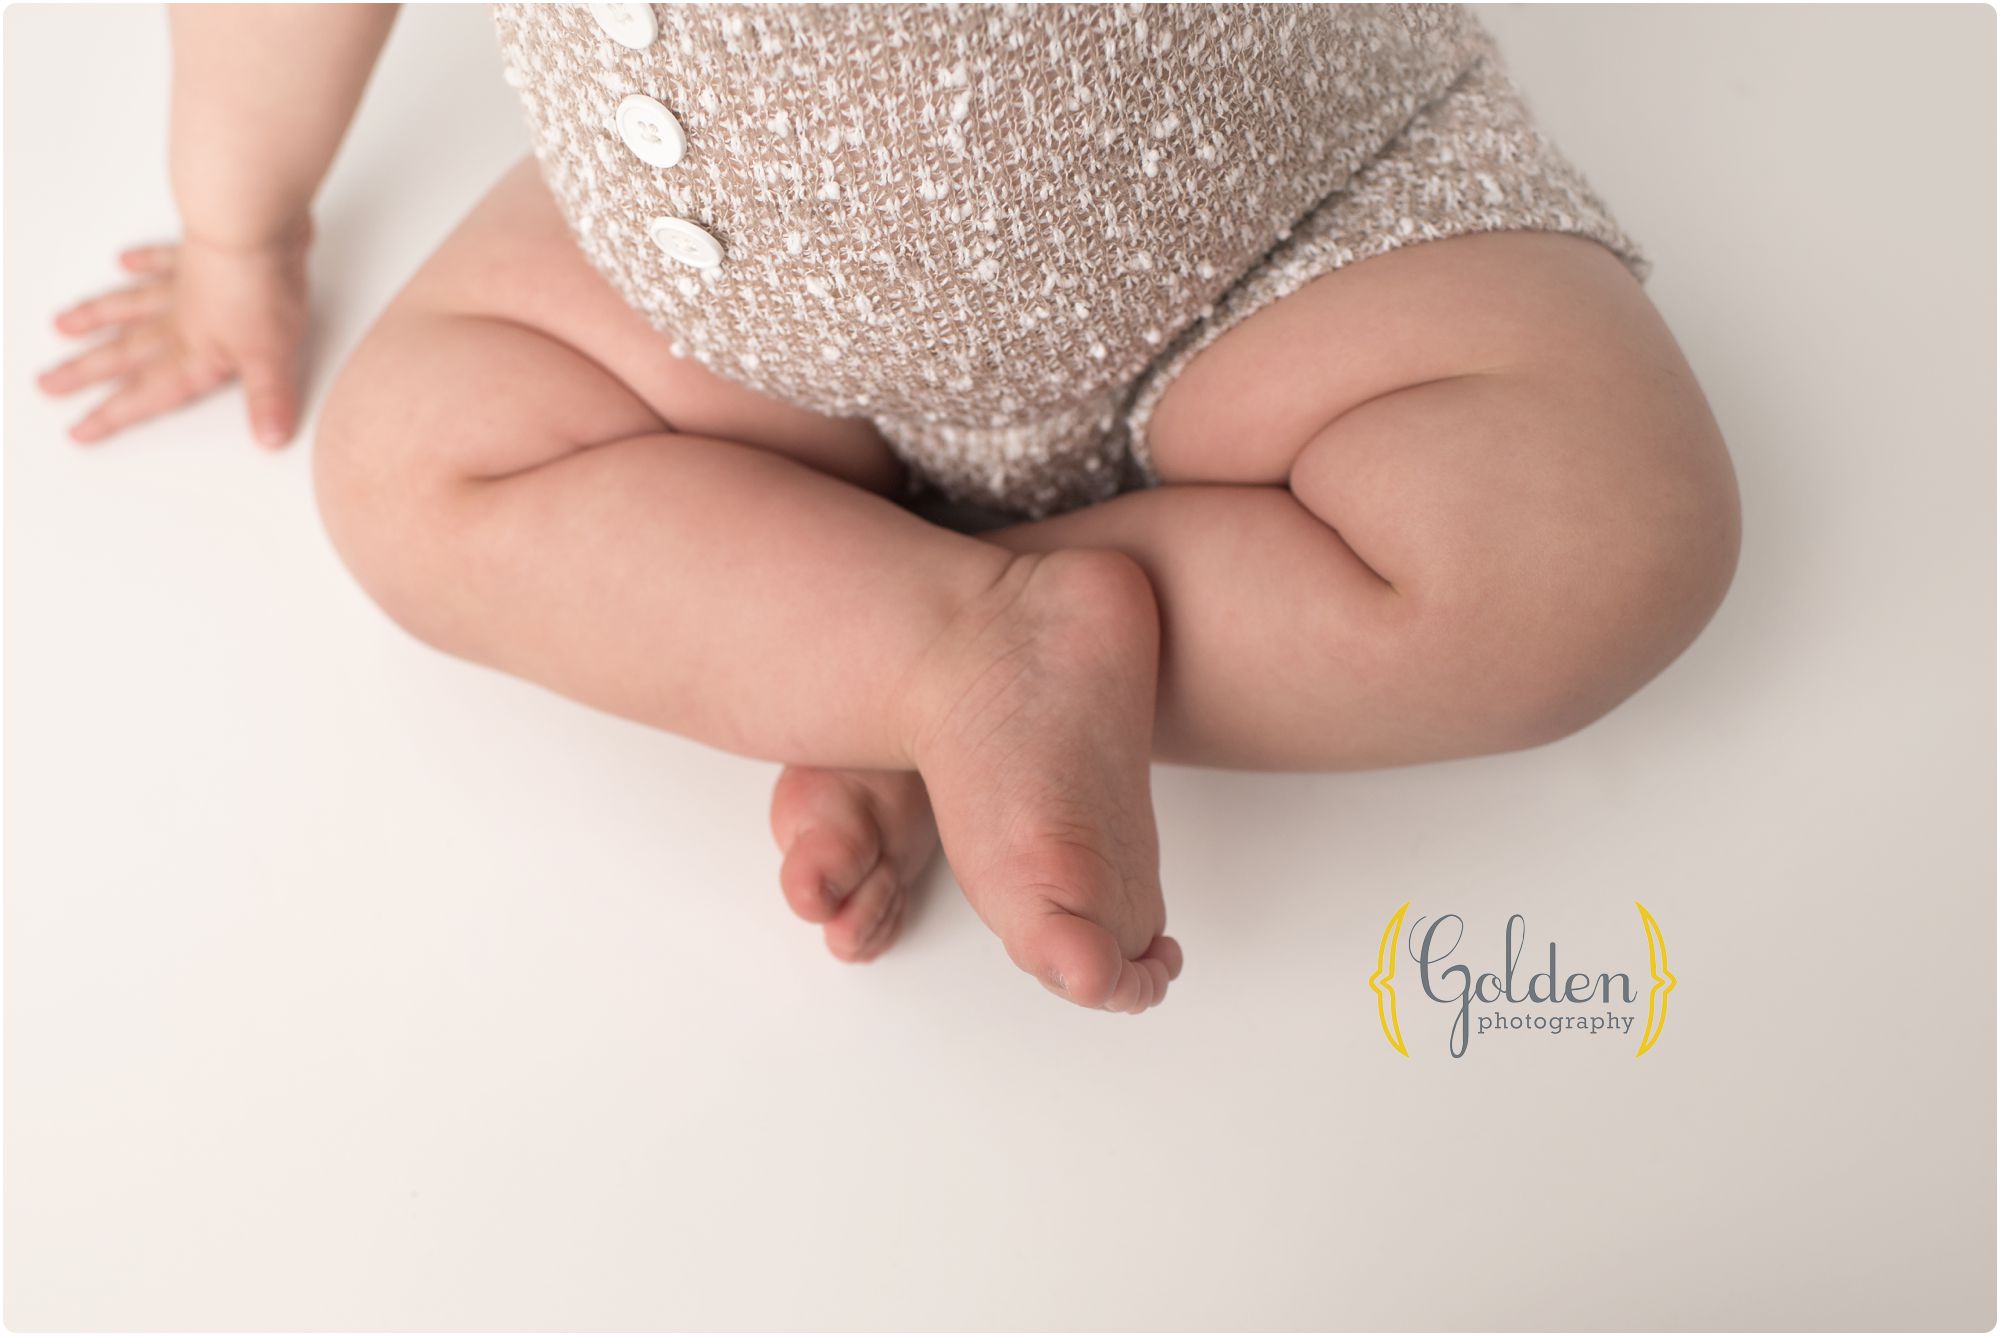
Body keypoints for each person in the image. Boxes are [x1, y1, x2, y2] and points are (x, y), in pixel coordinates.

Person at [37, 3, 1741, 1014]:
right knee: (413, 467)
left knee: (1598, 546)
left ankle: (867, 630)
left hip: (1285, 224)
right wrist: (239, 231)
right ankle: (951, 650)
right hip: (727, 292)